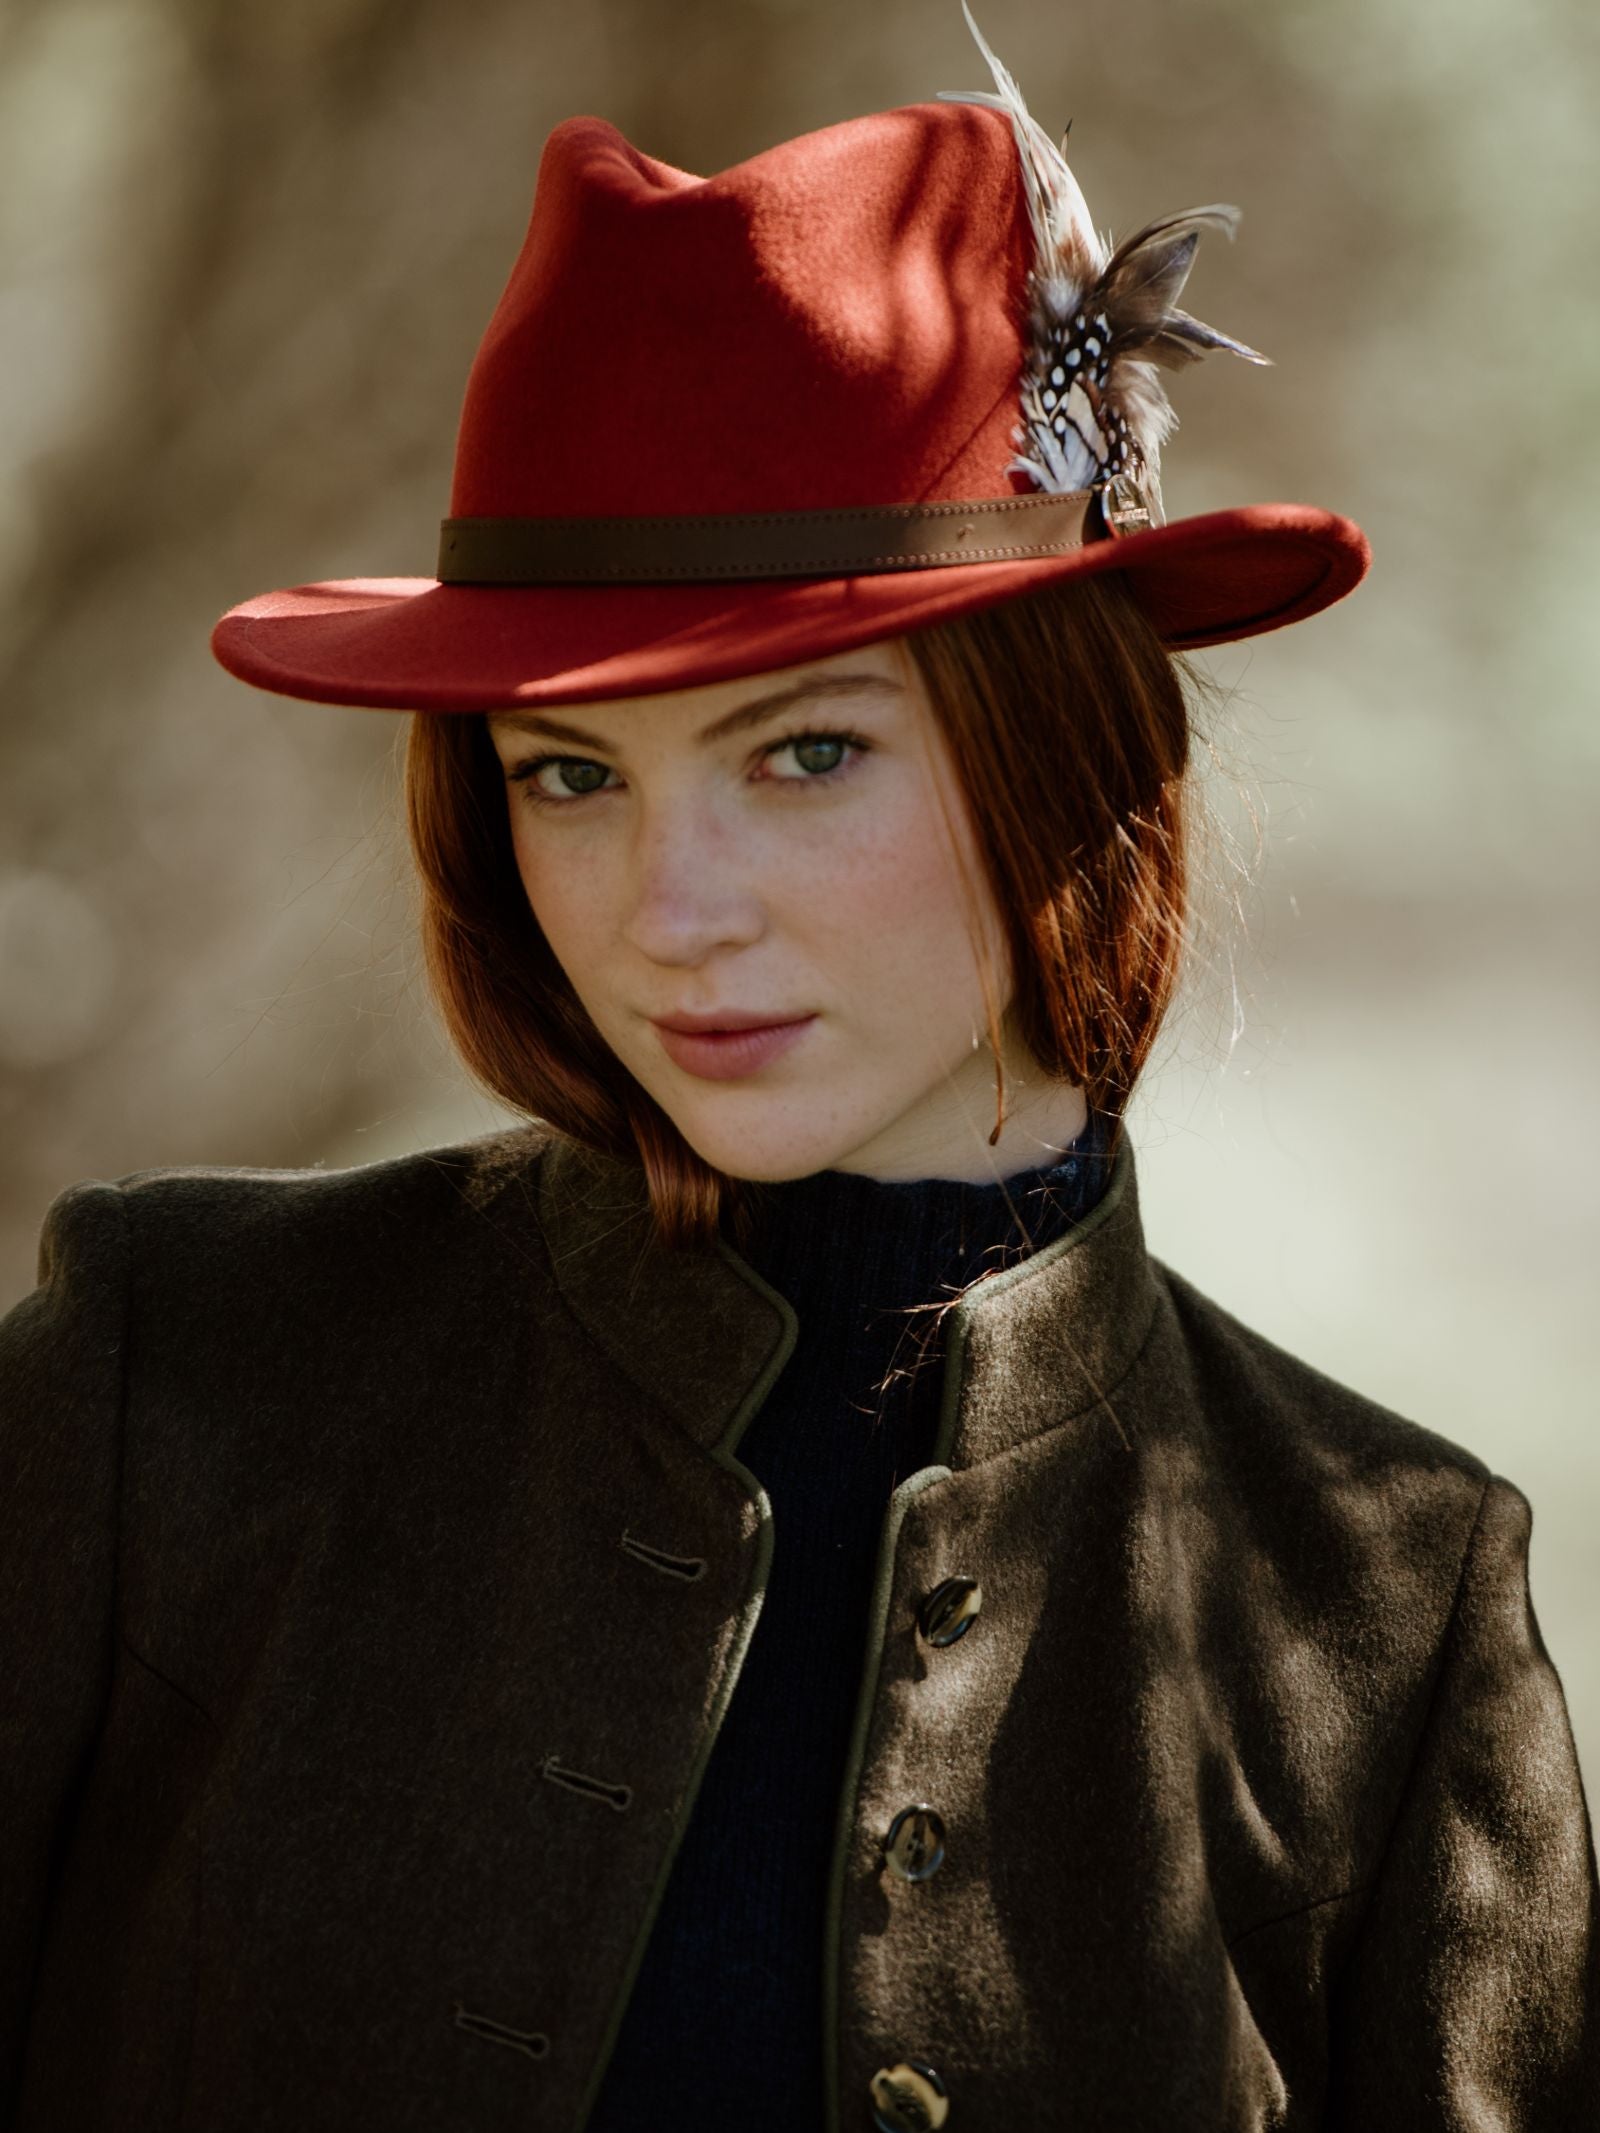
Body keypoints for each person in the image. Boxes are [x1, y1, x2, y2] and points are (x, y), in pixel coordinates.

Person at [2, 8, 1595, 2130]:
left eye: (805, 750)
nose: (666, 906)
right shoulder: (167, 1381)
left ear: (1060, 750)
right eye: (568, 771)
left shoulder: (1381, 1601)